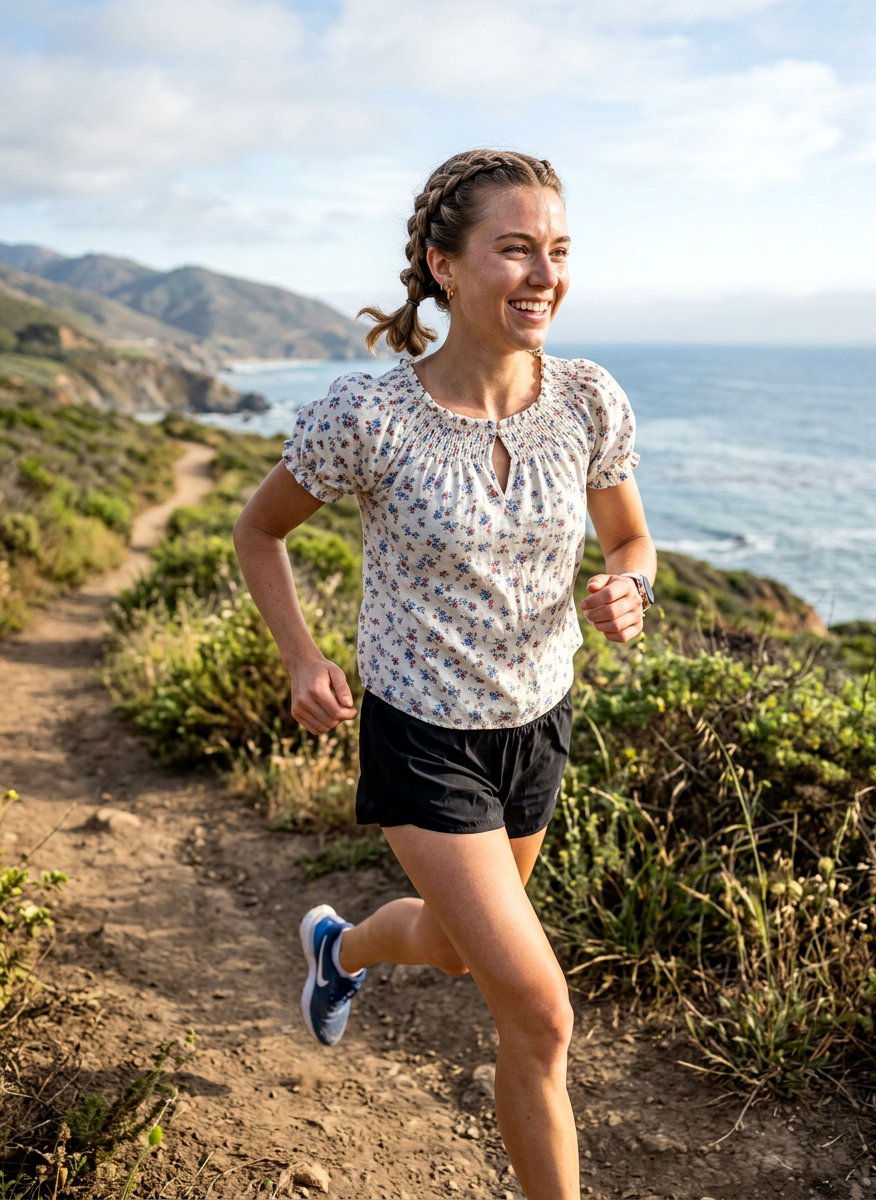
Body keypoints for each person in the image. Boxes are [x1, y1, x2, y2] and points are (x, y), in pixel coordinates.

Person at [232, 148, 657, 1200]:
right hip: (420, 737)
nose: (542, 274)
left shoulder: (589, 402)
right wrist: (301, 657)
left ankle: (338, 952)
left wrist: (628, 591)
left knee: (463, 954)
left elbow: (629, 542)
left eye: (556, 251)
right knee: (539, 1012)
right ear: (444, 266)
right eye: (514, 249)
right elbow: (259, 530)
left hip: (537, 728)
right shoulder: (367, 416)